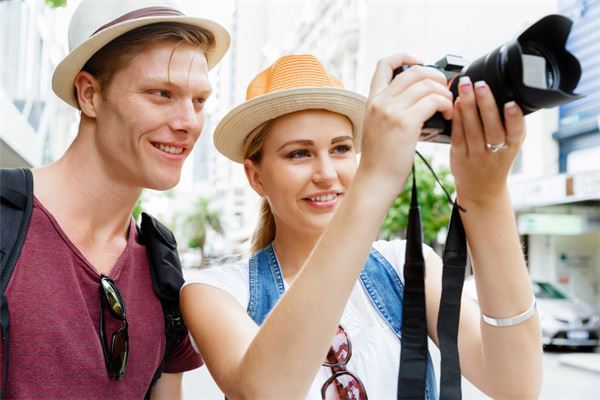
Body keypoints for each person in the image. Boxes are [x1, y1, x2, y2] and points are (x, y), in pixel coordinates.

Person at [181, 54, 543, 399]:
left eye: (340, 149)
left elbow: (515, 384)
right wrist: (376, 177)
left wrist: (486, 194)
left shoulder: (405, 266)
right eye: (299, 153)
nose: (326, 174)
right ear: (255, 176)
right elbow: (265, 391)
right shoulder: (215, 292)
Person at [0, 1, 230, 398]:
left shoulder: (162, 268)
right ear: (89, 95)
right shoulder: (6, 222)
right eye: (162, 93)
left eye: (199, 101)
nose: (189, 122)